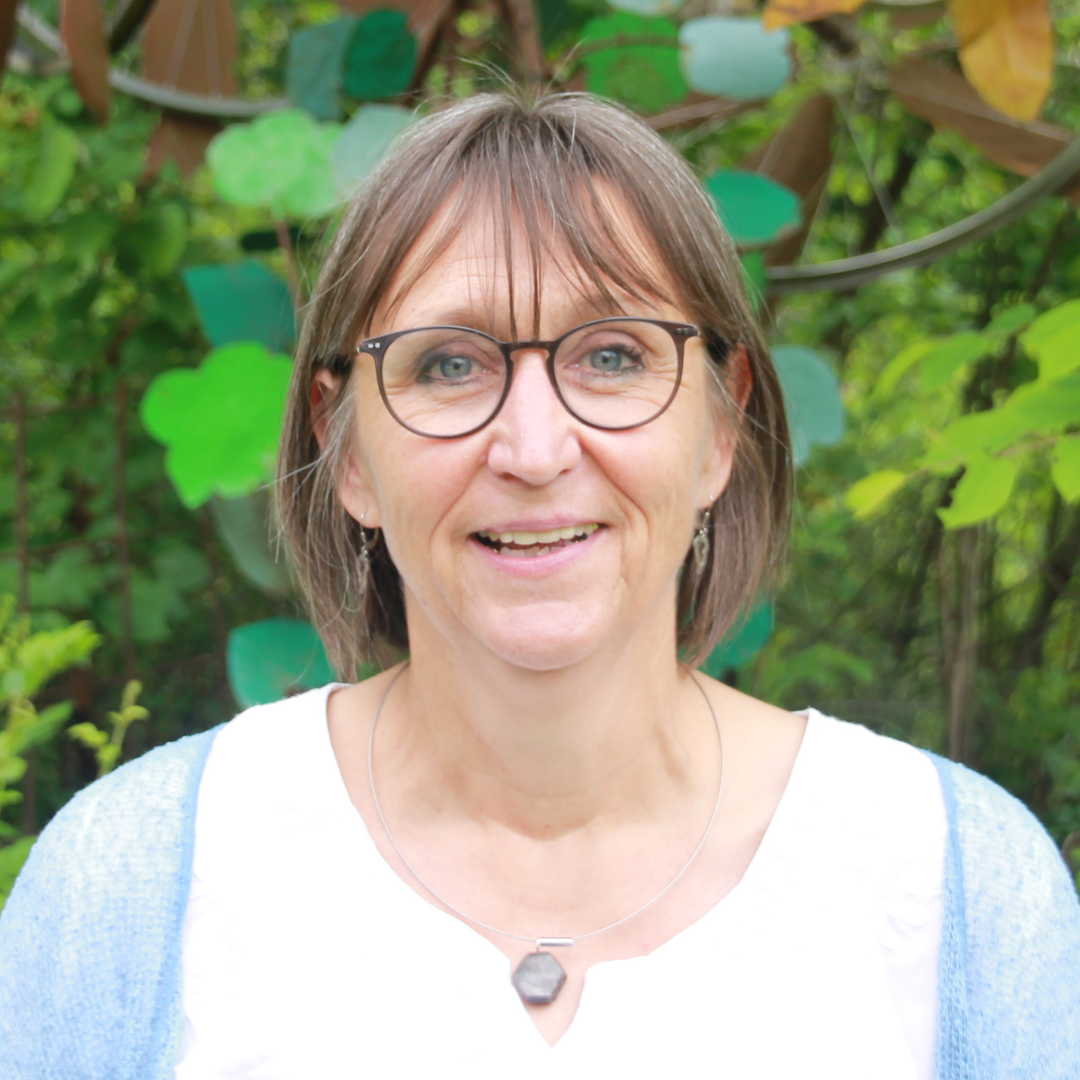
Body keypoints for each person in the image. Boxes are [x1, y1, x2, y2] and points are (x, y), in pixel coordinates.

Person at [1, 91, 1078, 1080]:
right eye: (449, 364)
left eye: (611, 356)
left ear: (720, 427)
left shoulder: (951, 890)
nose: (533, 448)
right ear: (348, 449)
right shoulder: (136, 890)